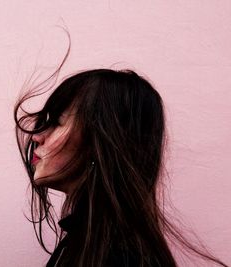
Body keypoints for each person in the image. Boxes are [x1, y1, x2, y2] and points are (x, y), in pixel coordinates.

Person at [13, 30, 229, 267]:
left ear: (101, 143)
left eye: (57, 122)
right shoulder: (90, 243)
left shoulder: (120, 257)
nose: (38, 137)